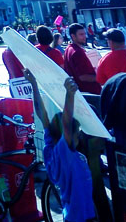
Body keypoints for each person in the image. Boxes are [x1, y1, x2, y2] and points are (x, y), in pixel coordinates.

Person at [24, 69, 96, 222]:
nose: (79, 136)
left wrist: (34, 86)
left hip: (71, 212)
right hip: (80, 216)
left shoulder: (50, 147)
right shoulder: (65, 153)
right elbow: (67, 123)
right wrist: (69, 95)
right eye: (77, 134)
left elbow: (42, 114)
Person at [64, 23, 101, 94]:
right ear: (73, 36)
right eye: (81, 34)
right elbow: (83, 77)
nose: (84, 36)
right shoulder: (77, 52)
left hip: (81, 92)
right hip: (89, 93)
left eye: (84, 34)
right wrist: (101, 77)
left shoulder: (69, 49)